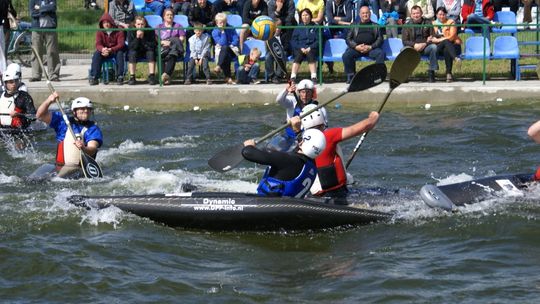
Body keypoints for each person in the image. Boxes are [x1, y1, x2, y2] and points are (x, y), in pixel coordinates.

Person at [297, 104, 379, 198]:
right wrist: (373, 117)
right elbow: (364, 127)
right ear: (322, 120)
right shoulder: (329, 135)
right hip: (336, 193)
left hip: (315, 195)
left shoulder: (300, 143)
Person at [242, 128, 326, 198]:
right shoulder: (311, 166)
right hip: (289, 207)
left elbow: (247, 153)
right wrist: (297, 130)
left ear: (301, 143)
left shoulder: (287, 160)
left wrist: (249, 146)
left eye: (300, 139)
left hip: (271, 206)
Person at [36, 93, 103, 178]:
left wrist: (84, 148)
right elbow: (40, 115)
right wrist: (49, 101)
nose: (86, 111)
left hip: (77, 168)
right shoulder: (63, 122)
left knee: (54, 181)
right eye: (82, 108)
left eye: (88, 109)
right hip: (59, 165)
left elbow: (93, 148)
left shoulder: (92, 128)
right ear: (74, 111)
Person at [271, 79, 327, 152]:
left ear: (312, 93)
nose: (305, 95)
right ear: (299, 92)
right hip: (288, 136)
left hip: (305, 139)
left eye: (308, 92)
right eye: (303, 92)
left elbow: (325, 128)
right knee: (272, 150)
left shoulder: (319, 108)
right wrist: (286, 90)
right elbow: (279, 100)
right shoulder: (292, 102)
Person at [342, 6, 384, 84]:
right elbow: (348, 39)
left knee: (380, 53)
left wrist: (371, 47)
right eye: (363, 13)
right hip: (357, 48)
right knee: (346, 55)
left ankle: (378, 76)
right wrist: (355, 46)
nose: (365, 15)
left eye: (367, 13)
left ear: (370, 14)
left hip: (371, 48)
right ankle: (351, 76)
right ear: (360, 14)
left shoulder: (376, 26)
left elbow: (380, 39)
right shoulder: (354, 25)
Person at [403, 5, 438, 82]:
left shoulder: (428, 23)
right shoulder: (407, 25)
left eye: (418, 13)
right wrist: (414, 45)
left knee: (433, 47)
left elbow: (432, 36)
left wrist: (424, 44)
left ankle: (431, 72)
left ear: (421, 13)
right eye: (414, 13)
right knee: (404, 50)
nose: (416, 15)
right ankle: (405, 73)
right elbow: (405, 41)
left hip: (425, 47)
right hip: (413, 48)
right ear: (411, 15)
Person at [89, 13, 126, 86]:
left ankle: (120, 76)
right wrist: (102, 49)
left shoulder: (119, 30)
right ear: (102, 24)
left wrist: (111, 49)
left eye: (108, 22)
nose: (106, 24)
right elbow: (98, 44)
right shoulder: (99, 31)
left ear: (111, 22)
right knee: (96, 54)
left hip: (115, 50)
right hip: (104, 51)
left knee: (120, 53)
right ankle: (95, 77)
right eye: (104, 22)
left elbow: (121, 44)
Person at [29, 0, 61, 82]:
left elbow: (53, 7)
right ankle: (36, 75)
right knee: (36, 52)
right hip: (36, 29)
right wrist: (46, 11)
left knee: (52, 52)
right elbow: (32, 13)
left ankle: (53, 75)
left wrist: (40, 9)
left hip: (51, 28)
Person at [266, 0, 296, 83]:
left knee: (282, 55)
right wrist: (278, 10)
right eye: (276, 27)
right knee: (268, 56)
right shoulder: (271, 3)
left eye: (279, 27)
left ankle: (278, 76)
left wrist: (280, 21)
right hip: (273, 51)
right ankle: (271, 76)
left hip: (284, 48)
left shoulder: (290, 2)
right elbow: (271, 18)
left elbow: (290, 18)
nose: (277, 29)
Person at [431, 6, 462, 82]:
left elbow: (451, 37)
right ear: (436, 15)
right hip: (439, 47)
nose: (441, 16)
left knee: (446, 49)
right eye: (439, 14)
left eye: (443, 14)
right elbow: (431, 37)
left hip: (454, 46)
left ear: (446, 14)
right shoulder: (433, 24)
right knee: (445, 43)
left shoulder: (451, 22)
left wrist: (439, 40)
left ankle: (448, 74)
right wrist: (439, 41)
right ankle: (455, 59)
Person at [0, 65, 36, 130]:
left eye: (15, 81)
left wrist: (19, 114)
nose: (14, 84)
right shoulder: (1, 95)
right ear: (5, 83)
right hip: (2, 129)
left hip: (18, 131)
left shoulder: (24, 97)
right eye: (11, 82)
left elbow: (33, 117)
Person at [157, 8, 186, 85]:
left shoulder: (178, 26)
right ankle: (166, 77)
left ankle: (164, 76)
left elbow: (181, 39)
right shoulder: (159, 26)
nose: (170, 16)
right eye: (168, 15)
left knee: (173, 53)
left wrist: (171, 42)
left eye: (171, 15)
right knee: (161, 56)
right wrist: (162, 42)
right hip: (163, 48)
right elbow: (156, 39)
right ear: (164, 16)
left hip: (174, 48)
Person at [290, 9, 319, 83]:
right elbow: (294, 40)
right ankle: (293, 77)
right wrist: (301, 48)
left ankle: (313, 77)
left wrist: (310, 47)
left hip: (311, 48)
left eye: (306, 15)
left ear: (310, 16)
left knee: (310, 54)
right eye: (303, 15)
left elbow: (318, 40)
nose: (305, 17)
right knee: (298, 55)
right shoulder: (298, 27)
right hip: (300, 48)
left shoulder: (316, 27)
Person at [127, 16, 157, 85]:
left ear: (145, 24)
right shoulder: (131, 30)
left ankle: (152, 76)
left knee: (151, 53)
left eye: (142, 24)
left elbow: (152, 45)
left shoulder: (150, 30)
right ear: (135, 24)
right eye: (138, 24)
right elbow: (131, 47)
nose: (140, 26)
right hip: (136, 50)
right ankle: (132, 77)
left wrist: (143, 38)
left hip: (147, 49)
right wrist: (137, 38)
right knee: (132, 53)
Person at [212, 12, 240, 84]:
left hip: (232, 50)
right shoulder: (214, 31)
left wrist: (230, 45)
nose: (223, 24)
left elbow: (236, 40)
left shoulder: (231, 28)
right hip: (222, 51)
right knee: (225, 52)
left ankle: (219, 66)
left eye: (224, 22)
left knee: (226, 49)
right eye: (221, 22)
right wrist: (223, 32)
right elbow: (222, 43)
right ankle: (228, 78)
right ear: (217, 22)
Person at [1, 0, 17, 75]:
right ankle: (3, 68)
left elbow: (14, 13)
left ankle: (3, 69)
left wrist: (10, 11)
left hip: (6, 26)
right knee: (3, 49)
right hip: (3, 26)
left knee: (4, 49)